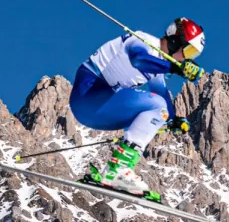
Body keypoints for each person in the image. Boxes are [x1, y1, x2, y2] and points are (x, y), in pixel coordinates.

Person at [69, 18, 205, 196]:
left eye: (193, 55)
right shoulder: (143, 41)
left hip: (98, 109)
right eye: (189, 50)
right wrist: (175, 68)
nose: (187, 58)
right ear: (175, 40)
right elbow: (139, 60)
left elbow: (160, 91)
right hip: (89, 94)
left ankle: (115, 170)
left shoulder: (158, 65)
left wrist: (173, 120)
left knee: (158, 108)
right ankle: (118, 169)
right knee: (156, 105)